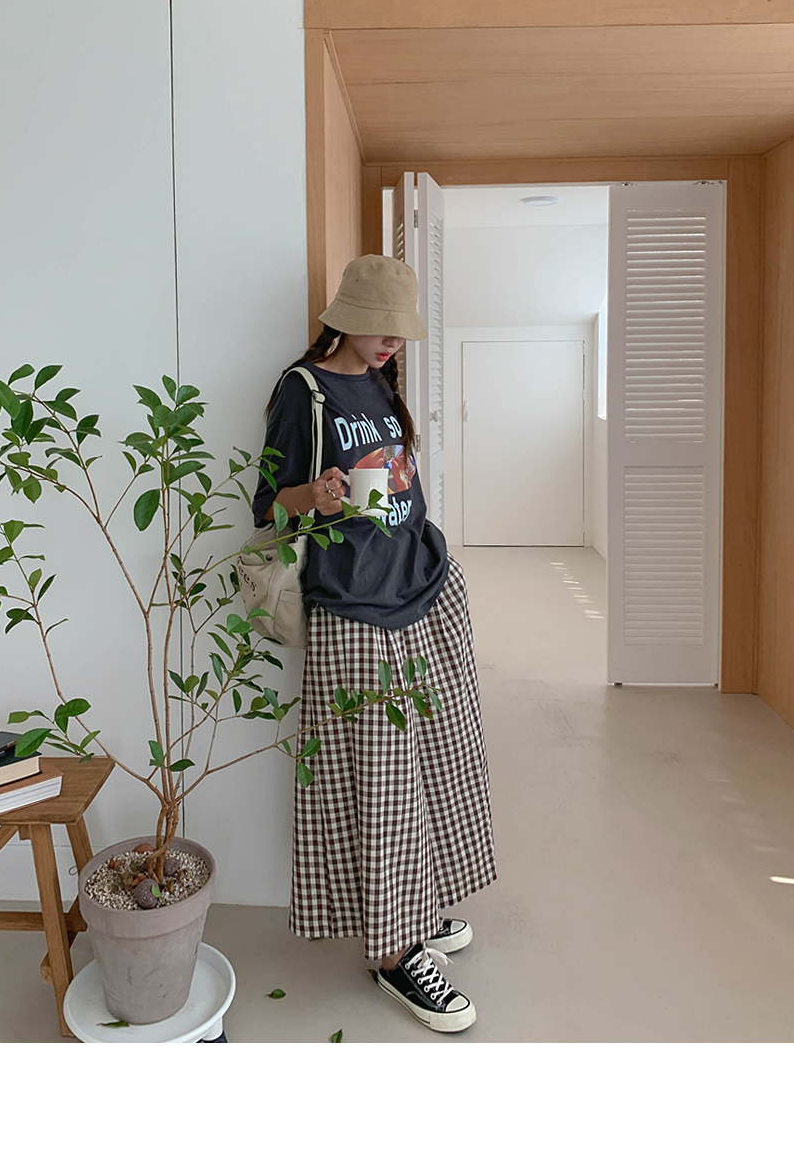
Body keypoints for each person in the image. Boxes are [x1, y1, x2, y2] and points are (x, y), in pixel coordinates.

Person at [251, 254, 497, 1033]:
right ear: (347, 315)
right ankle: (394, 954)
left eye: (400, 329)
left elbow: (400, 482)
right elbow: (268, 507)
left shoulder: (384, 382)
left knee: (432, 763)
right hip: (354, 610)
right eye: (381, 325)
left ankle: (410, 909)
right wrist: (316, 495)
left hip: (422, 589)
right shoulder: (304, 390)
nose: (393, 340)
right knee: (379, 785)